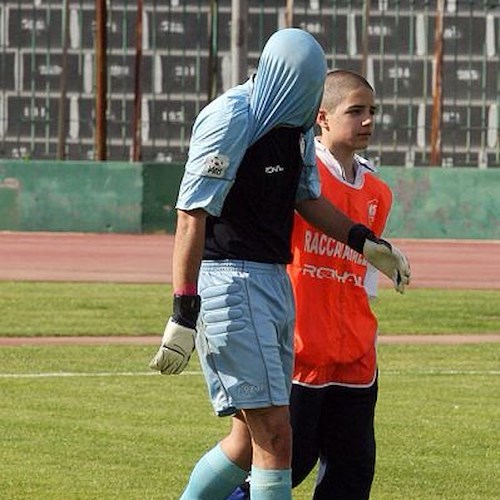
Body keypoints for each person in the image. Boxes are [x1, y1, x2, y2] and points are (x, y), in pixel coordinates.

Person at [149, 29, 410, 500]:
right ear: (279, 77)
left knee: (246, 442)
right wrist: (183, 310)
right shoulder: (230, 118)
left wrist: (362, 240)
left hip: (272, 278)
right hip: (230, 278)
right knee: (277, 436)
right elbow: (191, 215)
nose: (308, 103)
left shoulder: (295, 128)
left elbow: (306, 197)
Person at [287, 69, 391, 499]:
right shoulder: (297, 179)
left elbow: (363, 281)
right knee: (289, 463)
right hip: (298, 351)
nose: (367, 120)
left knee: (352, 470)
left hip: (355, 355)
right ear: (323, 118)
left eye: (372, 111)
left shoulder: (378, 192)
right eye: (355, 111)